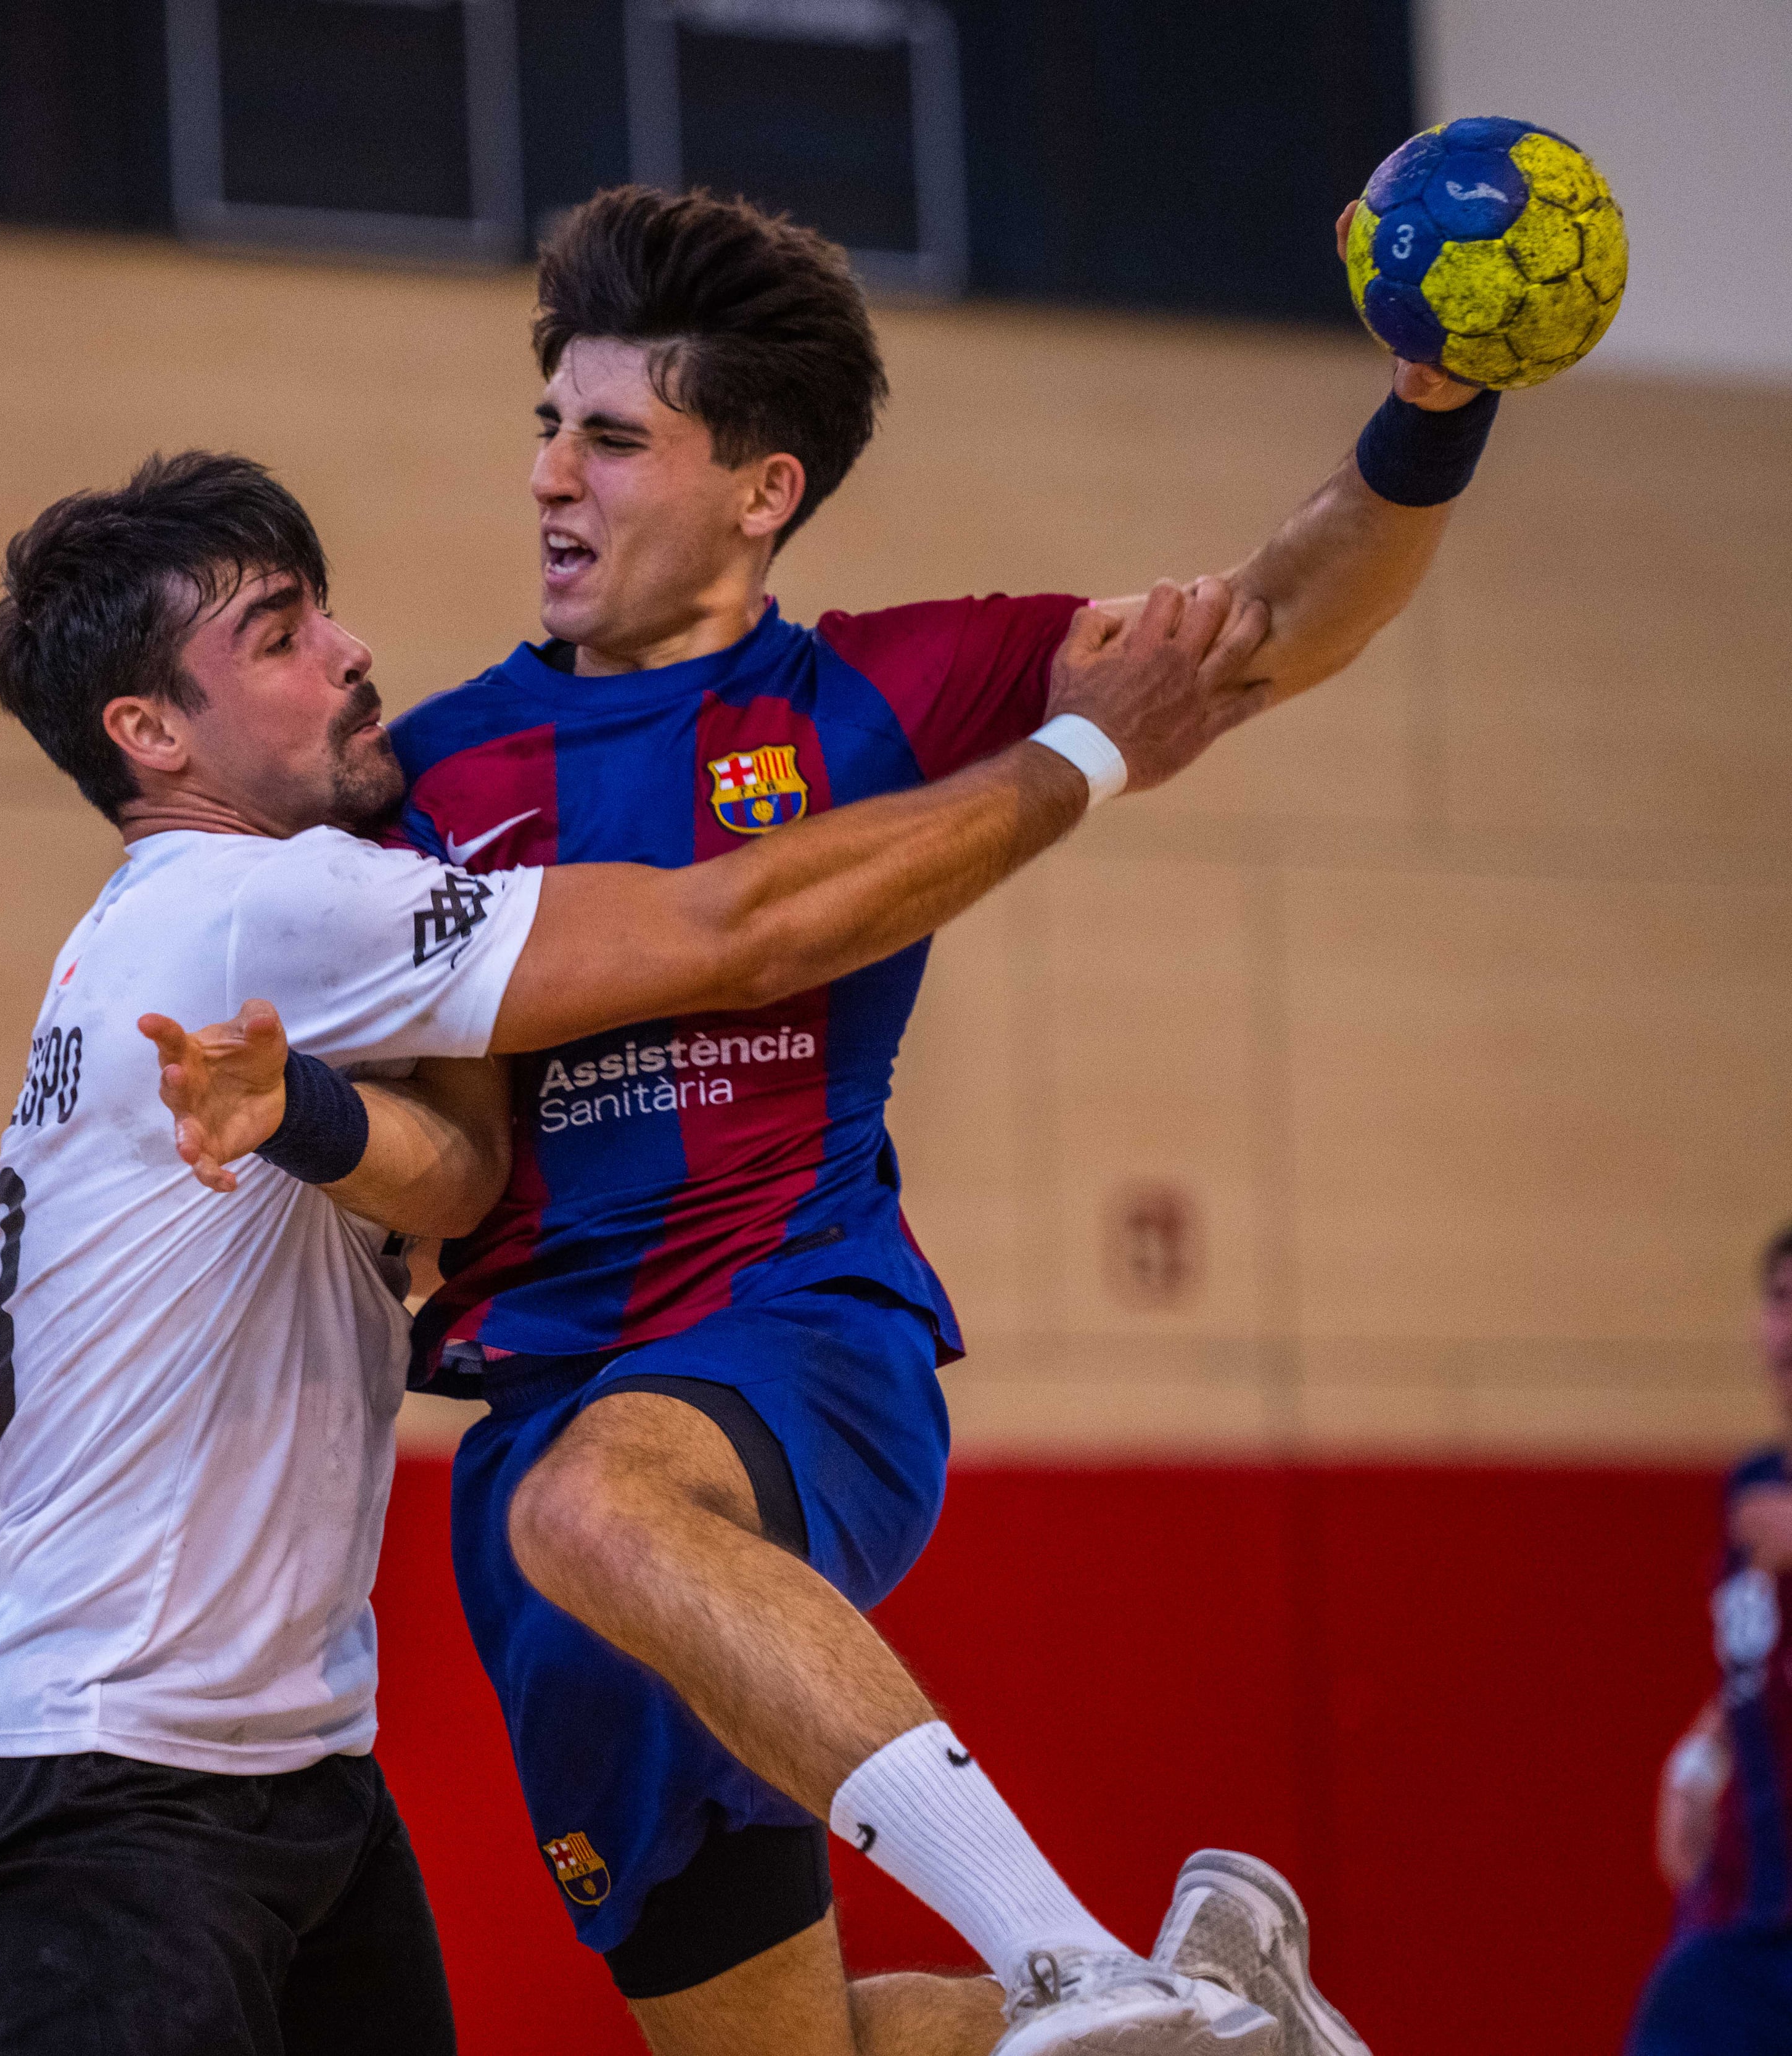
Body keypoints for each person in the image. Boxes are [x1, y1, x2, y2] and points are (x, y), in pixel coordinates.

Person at [278, 183, 1478, 2056]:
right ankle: (1212, 2023)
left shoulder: (886, 691)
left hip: (787, 1330)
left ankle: (1082, 1956)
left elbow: (1267, 625)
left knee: (609, 1494)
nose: (548, 479)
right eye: (544, 425)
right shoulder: (429, 770)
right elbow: (438, 1154)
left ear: (759, 488)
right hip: (526, 1441)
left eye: (609, 438)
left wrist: (1435, 403)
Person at [0, 445, 1273, 2056]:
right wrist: (1088, 750)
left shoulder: (196, 933)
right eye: (276, 636)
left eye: (326, 612)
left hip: (290, 1771)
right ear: (150, 733)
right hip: (97, 1783)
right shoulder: (255, 906)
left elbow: (459, 1173)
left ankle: (1217, 2026)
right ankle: (1096, 1971)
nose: (346, 651)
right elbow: (730, 931)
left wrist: (310, 1119)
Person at [1629, 1221, 1792, 2054]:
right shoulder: (1753, 1491)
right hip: (1746, 1915)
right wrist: (1702, 1751)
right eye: (1781, 1300)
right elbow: (1761, 1667)